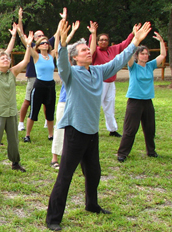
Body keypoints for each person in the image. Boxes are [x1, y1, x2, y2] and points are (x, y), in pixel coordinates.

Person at [46, 20, 151, 231]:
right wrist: (63, 44)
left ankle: (91, 205)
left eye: (88, 49)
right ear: (75, 57)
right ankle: (53, 219)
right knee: (65, 175)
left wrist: (134, 42)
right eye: (84, 50)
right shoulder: (72, 74)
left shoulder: (98, 71)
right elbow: (62, 64)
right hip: (75, 131)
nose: (87, 52)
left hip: (92, 133)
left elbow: (119, 60)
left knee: (94, 173)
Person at [0, 31, 33, 175]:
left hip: (11, 112)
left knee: (14, 140)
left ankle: (15, 162)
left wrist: (28, 45)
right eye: (2, 59)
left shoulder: (13, 72)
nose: (6, 59)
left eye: (7, 58)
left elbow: (25, 61)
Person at [50, 20, 98, 169]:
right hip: (65, 102)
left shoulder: (83, 68)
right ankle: (54, 158)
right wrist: (60, 31)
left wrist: (93, 34)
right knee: (60, 130)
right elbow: (59, 51)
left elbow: (93, 50)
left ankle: (70, 159)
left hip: (76, 103)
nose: (87, 52)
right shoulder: (67, 67)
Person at [116, 32, 166, 163]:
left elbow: (163, 55)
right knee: (130, 129)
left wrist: (161, 41)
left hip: (147, 101)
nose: (145, 55)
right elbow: (128, 54)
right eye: (142, 53)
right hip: (134, 102)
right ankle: (122, 153)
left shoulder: (150, 66)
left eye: (146, 53)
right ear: (137, 55)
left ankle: (151, 151)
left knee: (150, 129)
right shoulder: (133, 66)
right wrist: (136, 40)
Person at [89, 24, 141, 138]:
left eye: (105, 40)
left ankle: (112, 129)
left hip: (111, 82)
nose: (103, 42)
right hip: (99, 82)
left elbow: (125, 44)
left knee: (110, 106)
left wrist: (133, 33)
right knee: (96, 106)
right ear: (97, 42)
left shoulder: (113, 49)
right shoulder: (95, 51)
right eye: (101, 40)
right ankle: (92, 129)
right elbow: (91, 47)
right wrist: (93, 33)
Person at [17, 7, 60, 131]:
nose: (44, 40)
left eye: (44, 38)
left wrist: (62, 22)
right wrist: (20, 19)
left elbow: (57, 37)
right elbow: (23, 37)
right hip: (33, 77)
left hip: (48, 82)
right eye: (40, 37)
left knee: (48, 103)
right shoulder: (33, 49)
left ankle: (48, 123)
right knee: (28, 101)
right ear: (35, 38)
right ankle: (21, 123)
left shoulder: (48, 50)